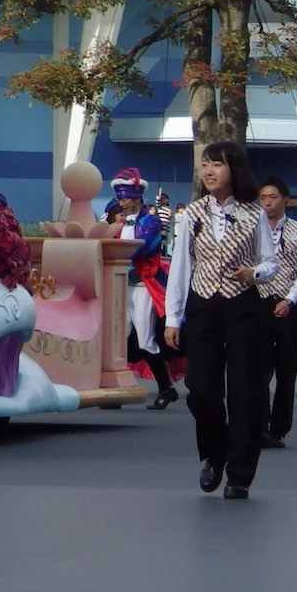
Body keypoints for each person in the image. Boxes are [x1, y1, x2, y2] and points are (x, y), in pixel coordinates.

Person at [164, 141, 278, 499]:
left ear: (235, 169)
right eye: (205, 164)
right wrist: (172, 317)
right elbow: (181, 266)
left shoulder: (254, 214)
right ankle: (215, 454)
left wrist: (254, 273)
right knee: (200, 390)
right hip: (203, 305)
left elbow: (270, 261)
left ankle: (239, 474)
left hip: (243, 306)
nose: (209, 171)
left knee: (245, 392)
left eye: (217, 164)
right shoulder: (193, 214)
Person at [111, 168, 180, 410]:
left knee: (145, 340)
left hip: (143, 286)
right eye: (119, 198)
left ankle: (166, 388)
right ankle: (116, 391)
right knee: (117, 340)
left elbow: (141, 248)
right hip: (122, 285)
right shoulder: (117, 222)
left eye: (124, 198)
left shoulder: (151, 221)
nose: (121, 202)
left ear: (136, 198)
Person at [256, 177, 297, 449]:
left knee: (286, 371)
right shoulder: (252, 231)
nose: (267, 203)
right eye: (263, 198)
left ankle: (279, 429)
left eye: (273, 197)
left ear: (285, 200)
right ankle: (259, 426)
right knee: (258, 369)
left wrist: (290, 299)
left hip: (289, 305)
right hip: (258, 303)